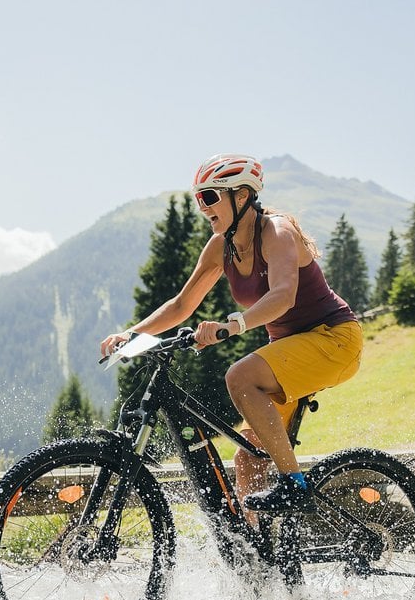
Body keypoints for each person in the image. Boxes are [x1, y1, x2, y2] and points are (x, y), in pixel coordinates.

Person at [100, 154, 363, 516]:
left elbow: (283, 295)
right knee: (248, 460)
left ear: (241, 196)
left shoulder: (277, 232)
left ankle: (294, 484)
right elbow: (181, 306)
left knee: (240, 376)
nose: (203, 207)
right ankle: (255, 561)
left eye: (210, 197)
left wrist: (232, 325)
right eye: (198, 199)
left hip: (333, 339)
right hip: (290, 350)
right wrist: (132, 332)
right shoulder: (219, 247)